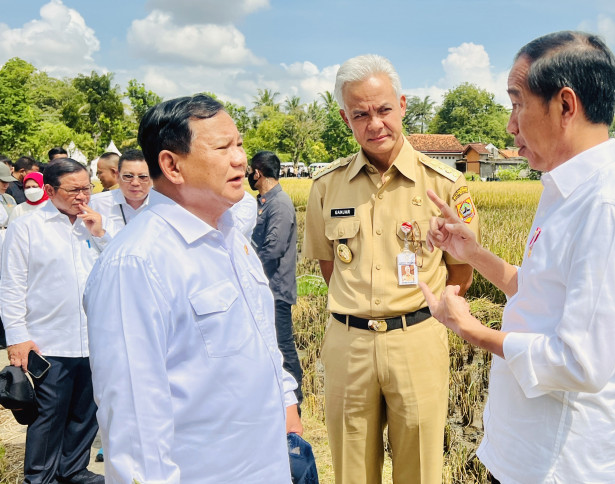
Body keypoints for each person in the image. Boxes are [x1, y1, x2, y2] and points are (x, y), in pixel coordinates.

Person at [419, 31, 615, 484]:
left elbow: (580, 361)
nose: (511, 125)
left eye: (517, 103)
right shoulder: (563, 190)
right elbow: (540, 292)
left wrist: (469, 328)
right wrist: (472, 253)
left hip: (561, 465)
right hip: (523, 453)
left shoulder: (607, 208)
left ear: (565, 106)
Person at [84, 94, 301, 484]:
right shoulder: (137, 263)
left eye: (239, 144)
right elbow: (134, 420)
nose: (240, 159)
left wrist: (286, 398)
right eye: (222, 147)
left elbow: (262, 337)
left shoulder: (233, 236)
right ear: (171, 164)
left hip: (264, 464)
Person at [302, 54, 479, 484]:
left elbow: (462, 271)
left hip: (416, 339)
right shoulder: (327, 186)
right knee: (351, 470)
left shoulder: (445, 185)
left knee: (419, 469)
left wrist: (424, 315)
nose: (375, 123)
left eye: (383, 110)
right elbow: (331, 268)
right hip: (349, 343)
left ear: (402, 105)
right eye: (361, 114)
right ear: (346, 118)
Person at [1, 158, 110, 484]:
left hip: (93, 340)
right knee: (48, 417)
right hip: (48, 343)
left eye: (87, 188)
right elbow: (11, 287)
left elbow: (120, 271)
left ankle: (73, 469)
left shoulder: (94, 225)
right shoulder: (27, 228)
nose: (83, 196)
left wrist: (101, 235)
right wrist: (17, 337)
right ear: (49, 190)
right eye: (74, 190)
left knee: (85, 413)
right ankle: (40, 478)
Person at [247, 150, 303, 406]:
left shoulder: (279, 203)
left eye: (250, 171)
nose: (248, 175)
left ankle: (295, 405)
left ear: (257, 172)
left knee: (284, 349)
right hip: (264, 289)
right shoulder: (262, 202)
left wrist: (247, 268)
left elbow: (274, 248)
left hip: (276, 290)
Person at [89, 149, 152, 236]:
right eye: (128, 176)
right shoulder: (96, 204)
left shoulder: (165, 204)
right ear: (117, 176)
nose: (135, 183)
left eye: (143, 177)